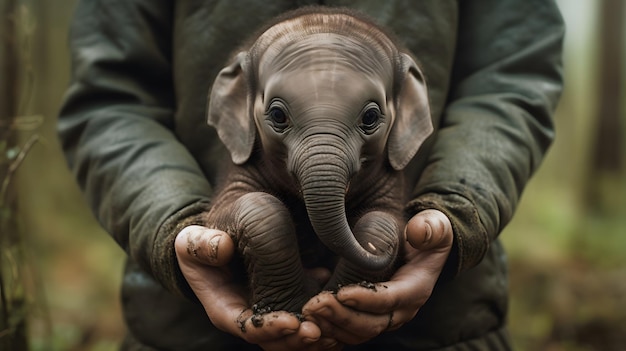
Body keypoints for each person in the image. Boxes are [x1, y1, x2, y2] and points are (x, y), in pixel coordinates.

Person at [57, 1, 564, 350]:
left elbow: (511, 81)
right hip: (188, 328)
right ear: (238, 107)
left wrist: (454, 206)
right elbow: (113, 99)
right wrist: (174, 221)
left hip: (441, 323)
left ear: (407, 112)